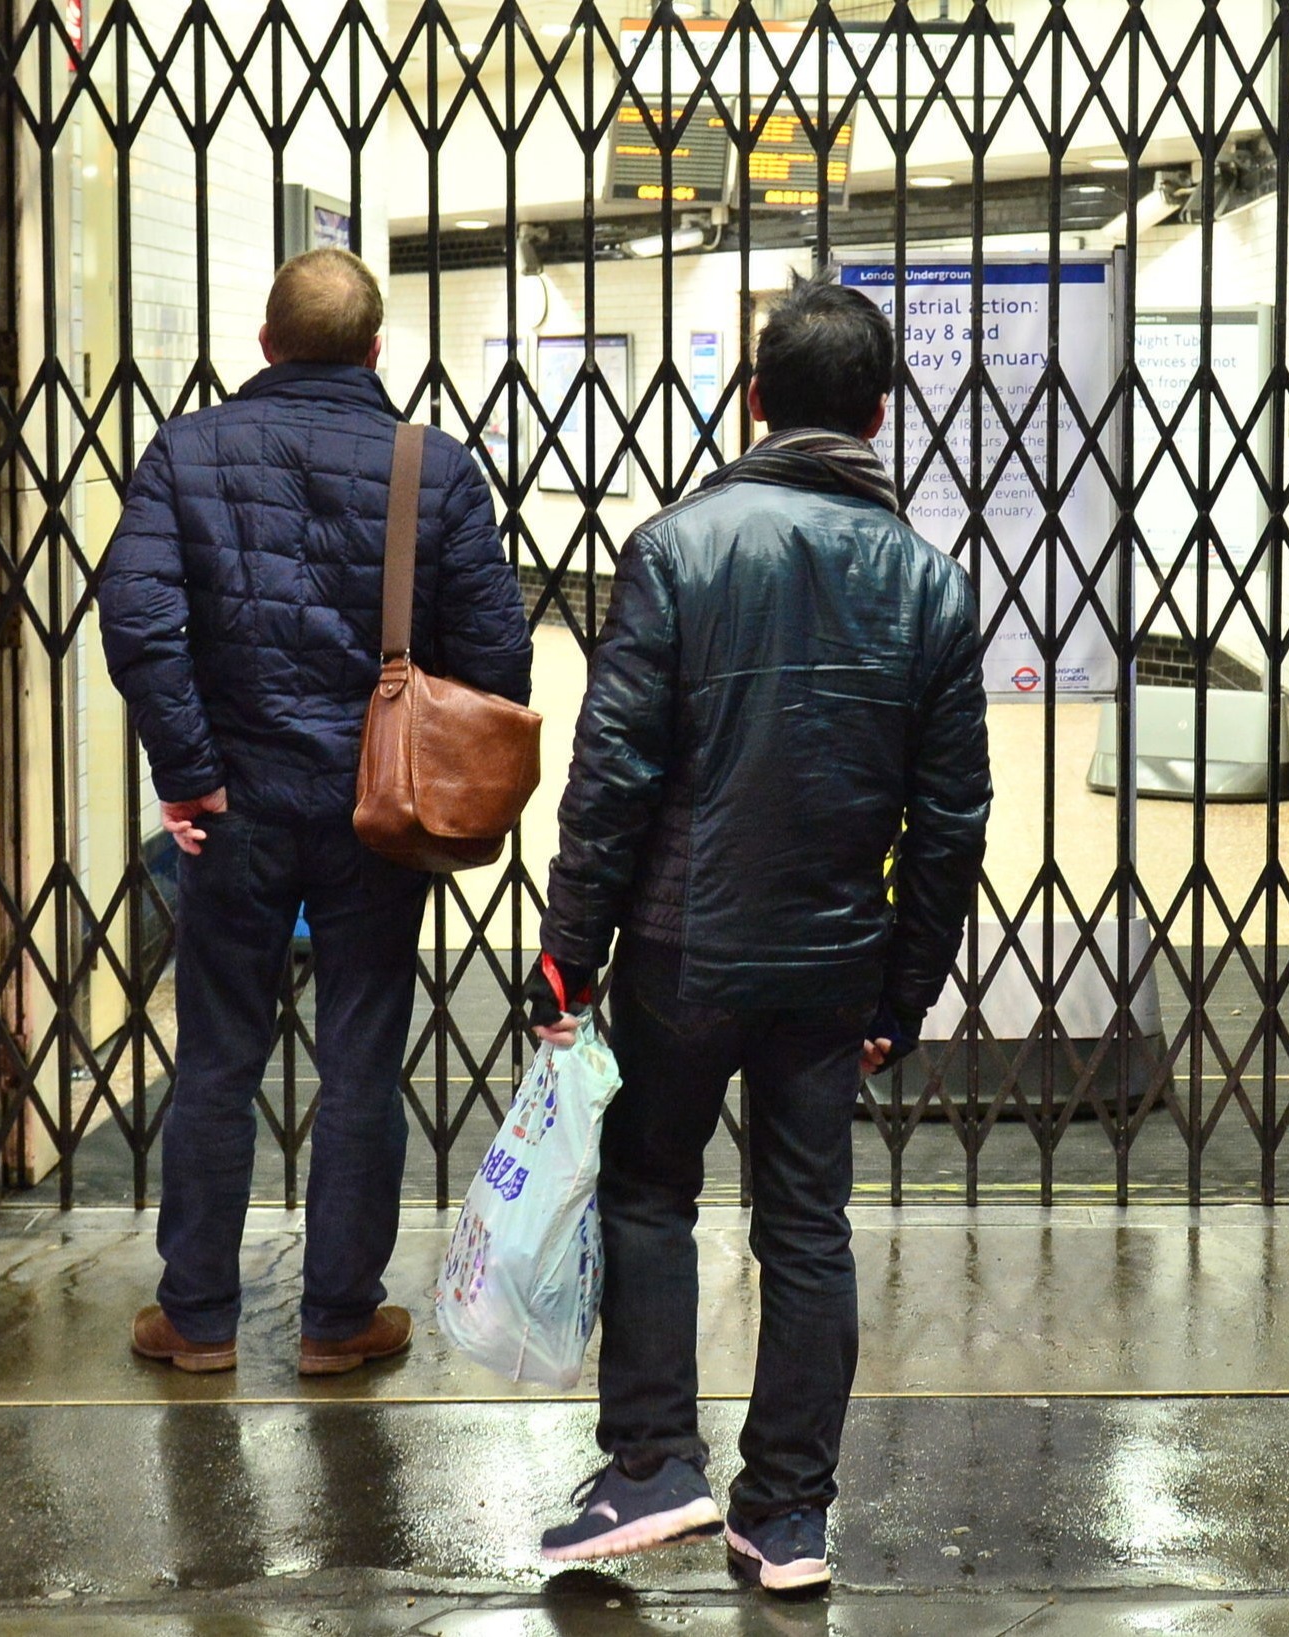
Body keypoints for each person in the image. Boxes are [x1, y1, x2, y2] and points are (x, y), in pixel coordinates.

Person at [526, 273, 992, 1594]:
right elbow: (951, 818)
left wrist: (571, 946)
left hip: (679, 948)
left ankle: (649, 1464)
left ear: (751, 400)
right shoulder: (926, 583)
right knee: (806, 1225)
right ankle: (784, 1513)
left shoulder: (676, 548)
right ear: (881, 414)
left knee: (648, 1189)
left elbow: (610, 770)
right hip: (831, 960)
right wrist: (903, 992)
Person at [97, 247, 534, 1376]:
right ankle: (339, 1316)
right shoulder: (430, 468)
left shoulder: (184, 451)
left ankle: (196, 1317)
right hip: (374, 820)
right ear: (377, 349)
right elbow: (496, 656)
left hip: (235, 813)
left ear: (265, 342)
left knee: (217, 1061)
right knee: (360, 1059)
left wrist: (189, 770)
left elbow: (140, 619)